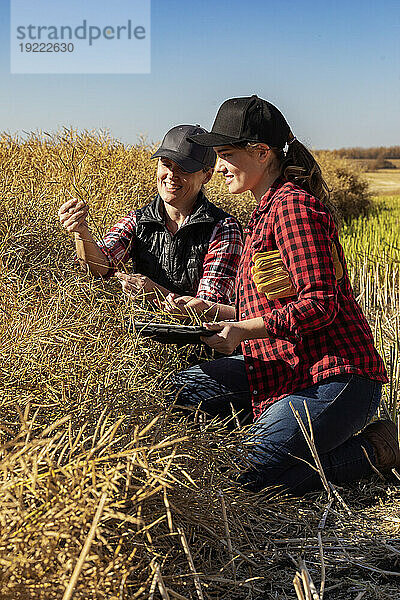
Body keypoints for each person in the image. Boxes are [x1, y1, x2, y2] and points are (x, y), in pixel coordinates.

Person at [167, 95, 398, 496]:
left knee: (244, 475)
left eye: (225, 154)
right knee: (178, 392)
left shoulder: (294, 208)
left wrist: (241, 331)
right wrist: (216, 310)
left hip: (334, 374)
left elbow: (320, 303)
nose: (218, 167)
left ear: (261, 152)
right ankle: (282, 430)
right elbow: (272, 302)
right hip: (283, 364)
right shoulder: (263, 210)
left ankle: (375, 450)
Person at [58, 125, 243, 314]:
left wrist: (156, 293)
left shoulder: (223, 228)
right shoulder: (139, 220)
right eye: (166, 164)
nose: (171, 175)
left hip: (200, 342)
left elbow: (210, 307)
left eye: (184, 169)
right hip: (143, 337)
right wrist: (81, 232)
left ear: (207, 175)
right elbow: (99, 267)